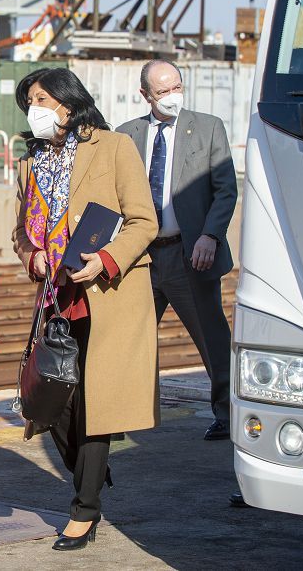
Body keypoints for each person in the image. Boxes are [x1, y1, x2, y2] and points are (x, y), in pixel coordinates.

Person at [12, 67, 158, 551]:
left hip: (107, 295)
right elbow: (20, 231)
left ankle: (84, 510)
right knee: (52, 402)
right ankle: (91, 472)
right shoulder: (29, 162)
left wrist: (106, 260)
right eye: (28, 102)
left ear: (68, 103)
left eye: (40, 99)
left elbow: (143, 220)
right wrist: (29, 253)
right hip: (55, 298)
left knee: (98, 404)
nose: (33, 109)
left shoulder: (114, 148)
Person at [116, 59, 238, 441]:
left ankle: (228, 414)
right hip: (141, 255)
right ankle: (121, 416)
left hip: (190, 253)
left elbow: (225, 190)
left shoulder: (207, 128)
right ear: (145, 95)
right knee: (128, 338)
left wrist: (210, 235)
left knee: (211, 336)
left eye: (176, 87)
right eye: (163, 91)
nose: (172, 97)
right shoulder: (127, 135)